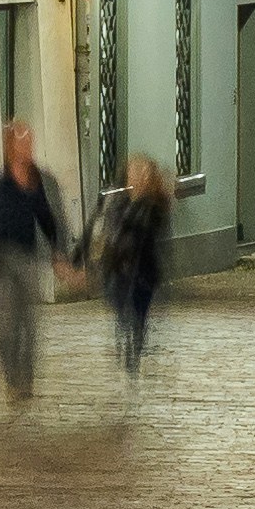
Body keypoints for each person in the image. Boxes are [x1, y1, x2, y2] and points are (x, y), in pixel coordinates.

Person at [0, 122, 70, 405]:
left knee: (29, 324)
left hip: (27, 258)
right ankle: (12, 378)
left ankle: (26, 379)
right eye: (21, 143)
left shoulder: (39, 180)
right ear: (9, 147)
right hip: (0, 260)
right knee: (6, 324)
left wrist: (59, 252)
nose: (26, 148)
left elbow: (51, 218)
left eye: (29, 143)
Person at [96, 155, 178, 388]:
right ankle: (125, 334)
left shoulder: (154, 205)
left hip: (144, 267)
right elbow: (108, 230)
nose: (137, 177)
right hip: (118, 266)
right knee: (121, 306)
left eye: (142, 173)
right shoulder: (118, 201)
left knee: (140, 311)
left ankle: (135, 347)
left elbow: (155, 233)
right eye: (133, 172)